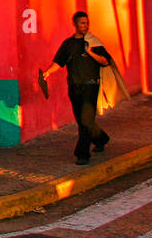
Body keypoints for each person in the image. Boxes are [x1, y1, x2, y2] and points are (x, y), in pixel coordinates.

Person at [40, 11, 112, 165]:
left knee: (86, 119)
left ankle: (82, 154)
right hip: (74, 86)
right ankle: (101, 139)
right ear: (75, 24)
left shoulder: (94, 42)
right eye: (82, 23)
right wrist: (48, 72)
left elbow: (106, 61)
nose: (85, 26)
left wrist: (90, 52)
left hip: (91, 86)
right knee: (82, 120)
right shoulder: (68, 44)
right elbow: (59, 62)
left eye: (87, 23)